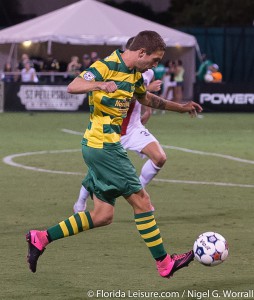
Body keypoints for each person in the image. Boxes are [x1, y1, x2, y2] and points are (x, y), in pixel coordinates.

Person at [26, 31, 202, 278]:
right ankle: (164, 263)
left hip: (103, 146)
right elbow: (73, 85)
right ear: (141, 52)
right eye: (154, 60)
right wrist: (99, 84)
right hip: (103, 146)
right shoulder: (107, 65)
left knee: (103, 215)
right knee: (142, 202)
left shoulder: (134, 74)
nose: (155, 65)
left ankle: (41, 237)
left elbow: (146, 98)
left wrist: (180, 108)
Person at [73, 36, 165, 213]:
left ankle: (138, 192)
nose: (153, 64)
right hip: (112, 130)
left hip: (133, 127)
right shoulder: (111, 68)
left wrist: (148, 110)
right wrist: (147, 90)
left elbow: (143, 98)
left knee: (160, 157)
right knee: (97, 171)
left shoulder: (147, 73)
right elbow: (126, 95)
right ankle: (81, 200)